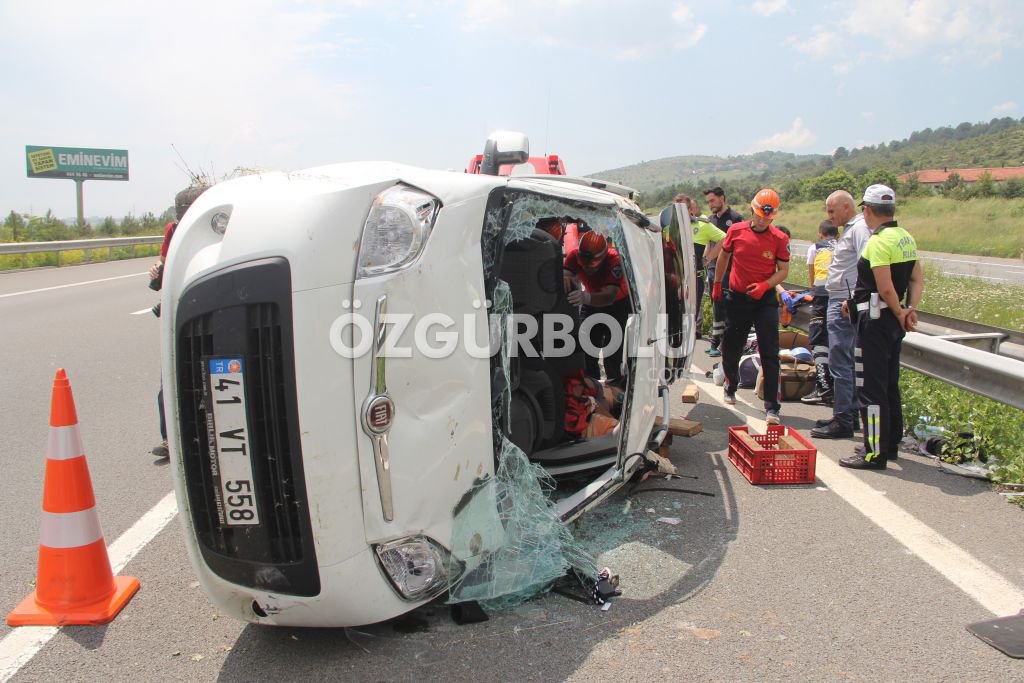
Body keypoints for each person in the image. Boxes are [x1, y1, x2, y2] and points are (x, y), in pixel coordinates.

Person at [839, 184, 923, 469]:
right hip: (892, 321)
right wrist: (909, 310)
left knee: (870, 388)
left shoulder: (878, 242)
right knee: (888, 384)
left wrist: (899, 311)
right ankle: (889, 445)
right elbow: (916, 279)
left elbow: (885, 288)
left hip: (874, 321)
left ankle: (873, 452)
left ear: (867, 211)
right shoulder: (905, 237)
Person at [711, 188, 790, 424]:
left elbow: (783, 270)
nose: (763, 220)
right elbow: (724, 256)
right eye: (760, 215)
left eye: (768, 217)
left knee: (769, 350)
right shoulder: (736, 231)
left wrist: (766, 285)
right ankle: (731, 384)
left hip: (764, 300)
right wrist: (717, 283)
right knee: (732, 346)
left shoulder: (779, 238)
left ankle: (772, 406)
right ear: (752, 210)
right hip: (738, 297)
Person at [150, 184, 208, 459]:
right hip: (180, 314)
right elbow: (165, 265)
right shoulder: (173, 232)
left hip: (211, 312)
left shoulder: (224, 226)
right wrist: (157, 272)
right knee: (171, 379)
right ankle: (170, 439)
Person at [810, 191, 871, 439]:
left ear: (847, 207)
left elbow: (867, 263)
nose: (829, 216)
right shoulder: (851, 229)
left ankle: (844, 419)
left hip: (843, 302)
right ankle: (847, 414)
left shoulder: (859, 229)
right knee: (844, 360)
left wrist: (853, 297)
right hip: (839, 299)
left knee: (840, 362)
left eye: (832, 211)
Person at [563, 231, 630, 385]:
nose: (587, 269)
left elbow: (609, 296)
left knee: (613, 350)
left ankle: (616, 386)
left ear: (603, 257)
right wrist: (565, 277)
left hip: (617, 304)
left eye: (592, 266)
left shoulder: (615, 260)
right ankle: (590, 385)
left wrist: (586, 297)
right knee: (585, 346)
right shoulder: (574, 255)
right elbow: (565, 274)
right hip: (591, 301)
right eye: (584, 265)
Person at [800, 219, 839, 405]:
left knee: (819, 340)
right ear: (837, 235)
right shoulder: (844, 245)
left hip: (822, 297)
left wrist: (813, 292)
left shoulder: (815, 247)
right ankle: (838, 388)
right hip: (841, 297)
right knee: (837, 341)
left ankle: (824, 387)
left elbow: (812, 274)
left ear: (820, 234)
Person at [703, 187, 744, 357]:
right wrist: (705, 261)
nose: (710, 204)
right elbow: (709, 243)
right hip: (713, 269)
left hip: (729, 270)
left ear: (722, 198)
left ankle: (725, 344)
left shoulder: (736, 218)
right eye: (708, 202)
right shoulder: (710, 220)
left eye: (712, 200)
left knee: (727, 307)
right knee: (716, 307)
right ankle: (715, 341)